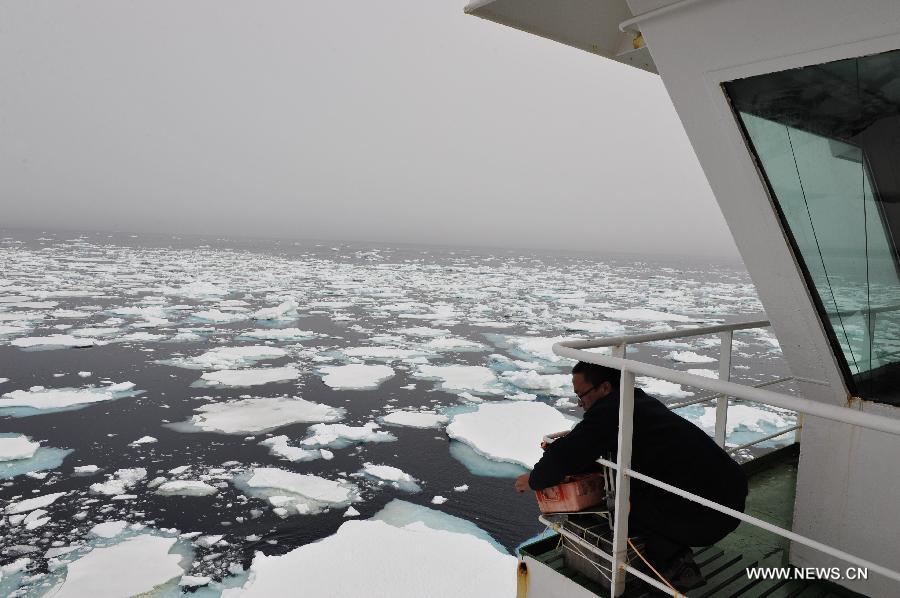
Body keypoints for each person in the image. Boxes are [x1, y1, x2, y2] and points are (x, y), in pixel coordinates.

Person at [515, 361, 748, 591]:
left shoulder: (610, 412)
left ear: (605, 388)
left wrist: (532, 480)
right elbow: (586, 442)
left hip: (709, 516)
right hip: (730, 496)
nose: (580, 404)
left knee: (624, 505)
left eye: (581, 395)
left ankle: (675, 569)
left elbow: (565, 456)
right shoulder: (637, 401)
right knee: (633, 489)